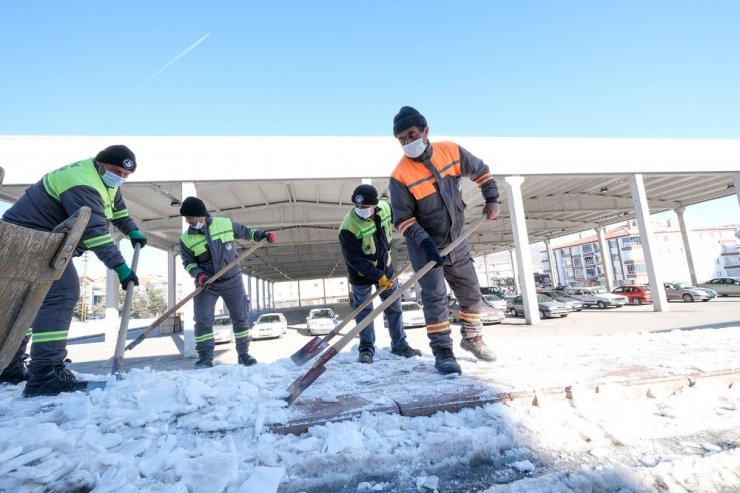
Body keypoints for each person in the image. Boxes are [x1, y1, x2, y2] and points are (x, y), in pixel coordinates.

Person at [0, 145, 144, 396]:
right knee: (62, 293)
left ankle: (11, 365)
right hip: (30, 241)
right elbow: (95, 232)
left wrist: (131, 229)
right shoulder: (81, 183)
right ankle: (45, 373)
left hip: (41, 242)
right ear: (100, 164)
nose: (120, 176)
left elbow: (117, 209)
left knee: (33, 303)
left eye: (125, 174)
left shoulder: (104, 181)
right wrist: (120, 267)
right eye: (115, 170)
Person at [388, 107, 501, 375]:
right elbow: (403, 220)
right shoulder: (399, 175)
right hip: (425, 247)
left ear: (425, 131)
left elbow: (481, 171)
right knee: (435, 299)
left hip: (457, 240)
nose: (407, 142)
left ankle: (472, 337)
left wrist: (492, 198)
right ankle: (443, 352)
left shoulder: (451, 151)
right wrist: (425, 243)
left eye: (411, 135)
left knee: (471, 293)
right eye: (401, 139)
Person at [178, 196, 276, 369]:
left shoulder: (224, 224)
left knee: (240, 317)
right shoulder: (186, 239)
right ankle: (206, 358)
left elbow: (245, 232)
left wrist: (262, 235)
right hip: (207, 284)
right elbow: (188, 262)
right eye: (186, 218)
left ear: (202, 215)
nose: (189, 221)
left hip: (232, 280)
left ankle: (244, 355)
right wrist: (199, 276)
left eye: (191, 217)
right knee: (202, 320)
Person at [338, 184, 421, 364]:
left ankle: (399, 345)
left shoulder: (385, 208)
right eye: (357, 206)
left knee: (394, 307)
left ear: (374, 205)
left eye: (365, 206)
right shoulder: (348, 227)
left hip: (386, 268)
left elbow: (401, 218)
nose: (360, 209)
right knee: (364, 311)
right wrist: (377, 276)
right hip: (361, 275)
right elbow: (355, 260)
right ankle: (366, 348)